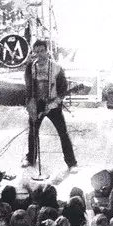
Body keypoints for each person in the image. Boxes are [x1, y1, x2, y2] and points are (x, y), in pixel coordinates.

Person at [22, 40, 77, 170]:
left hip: (53, 104)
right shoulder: (30, 67)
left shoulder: (57, 68)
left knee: (63, 133)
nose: (39, 54)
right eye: (36, 52)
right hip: (37, 105)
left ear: (47, 52)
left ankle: (71, 163)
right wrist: (29, 104)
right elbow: (28, 88)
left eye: (42, 51)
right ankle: (30, 158)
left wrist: (56, 102)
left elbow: (63, 89)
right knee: (32, 132)